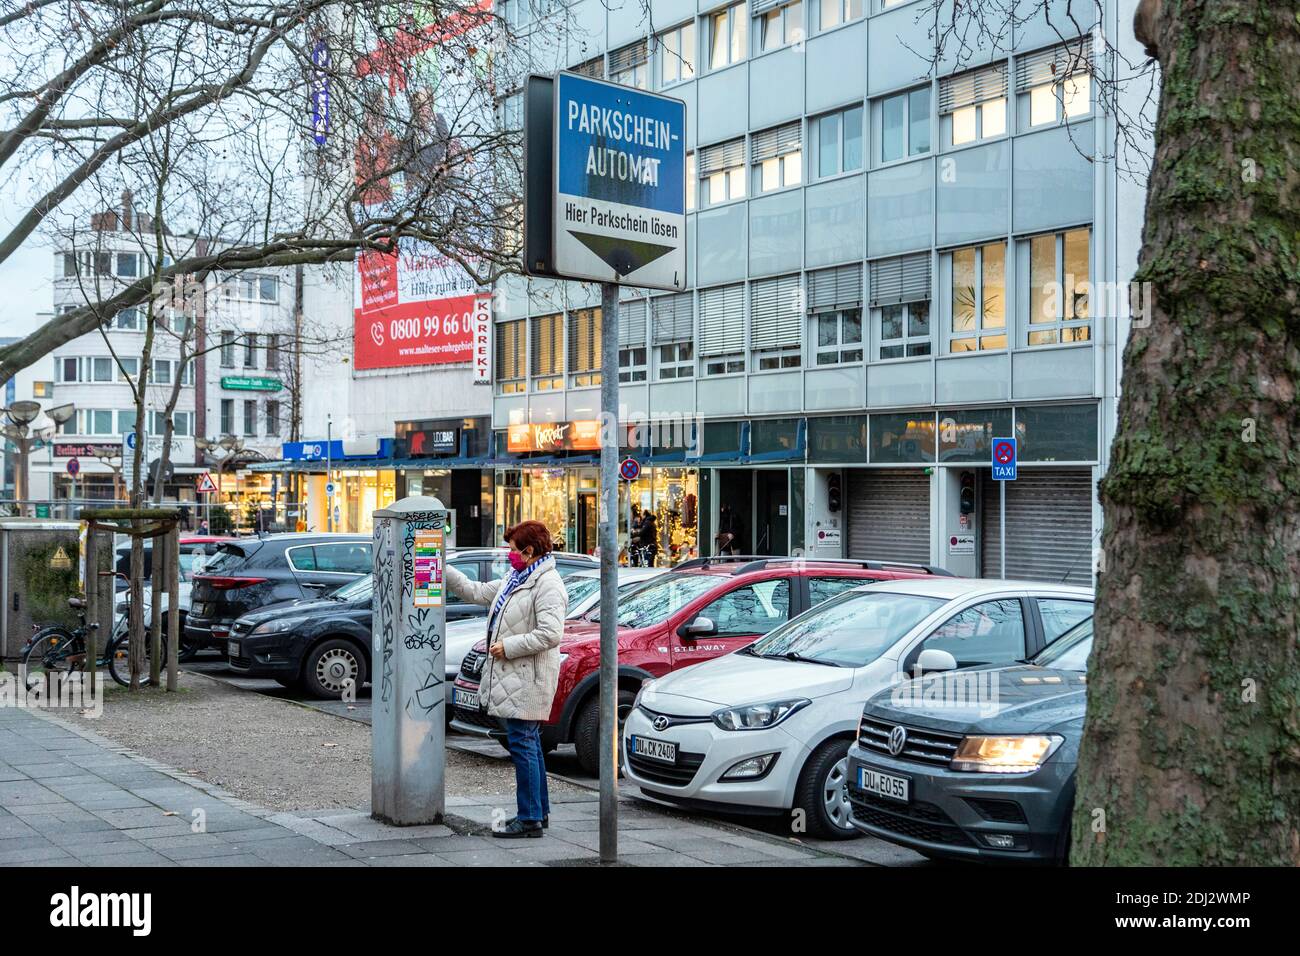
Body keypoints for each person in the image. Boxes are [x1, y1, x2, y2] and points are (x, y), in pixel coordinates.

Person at [443, 520, 568, 839]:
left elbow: (551, 634)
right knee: (529, 743)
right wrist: (440, 564)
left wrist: (508, 647)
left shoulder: (548, 584)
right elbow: (475, 591)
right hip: (517, 677)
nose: (508, 555)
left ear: (530, 551)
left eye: (513, 549)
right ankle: (539, 812)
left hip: (528, 677)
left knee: (523, 744)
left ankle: (529, 819)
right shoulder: (518, 578)